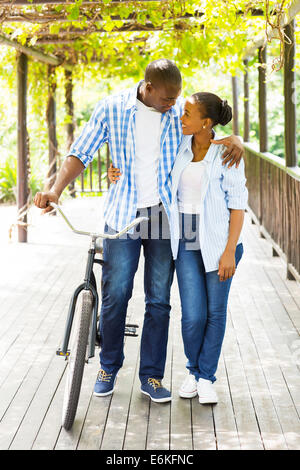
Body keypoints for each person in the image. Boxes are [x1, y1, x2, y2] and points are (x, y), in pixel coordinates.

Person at [34, 59, 244, 404]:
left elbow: (205, 133)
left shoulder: (177, 115)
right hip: (122, 213)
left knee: (159, 300)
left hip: (164, 216)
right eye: (166, 99)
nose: (173, 106)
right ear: (148, 88)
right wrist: (55, 190)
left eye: (177, 100)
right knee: (116, 294)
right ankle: (108, 366)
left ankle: (152, 375)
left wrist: (233, 138)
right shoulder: (112, 110)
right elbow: (80, 152)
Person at [169, 92, 248, 405]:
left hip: (220, 240)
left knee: (215, 313)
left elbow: (238, 205)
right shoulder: (177, 144)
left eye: (188, 114)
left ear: (206, 122)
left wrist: (229, 251)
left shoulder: (227, 153)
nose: (182, 117)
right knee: (193, 315)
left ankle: (205, 377)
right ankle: (192, 369)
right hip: (186, 236)